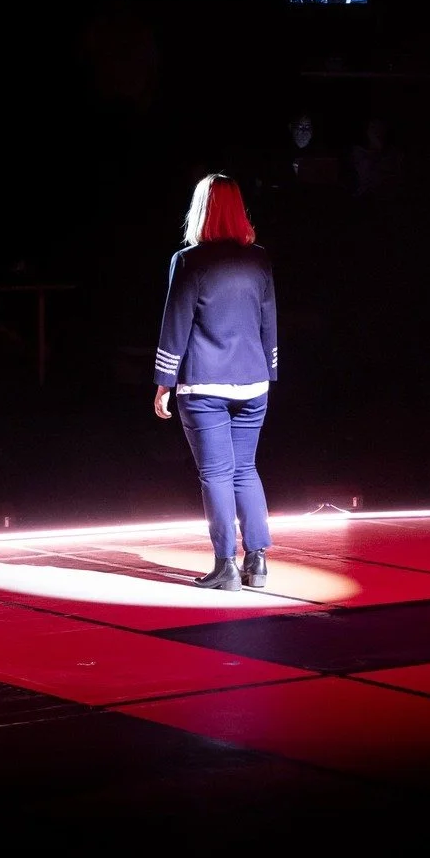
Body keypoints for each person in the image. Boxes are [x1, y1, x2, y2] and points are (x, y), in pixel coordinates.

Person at [153, 173, 278, 591]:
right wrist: (269, 371)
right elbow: (268, 322)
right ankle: (257, 560)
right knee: (245, 469)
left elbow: (176, 323)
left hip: (204, 384)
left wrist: (164, 380)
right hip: (254, 381)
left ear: (202, 209)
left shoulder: (188, 260)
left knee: (217, 474)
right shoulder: (258, 258)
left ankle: (226, 565)